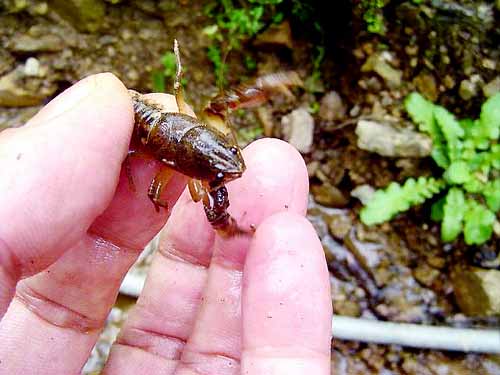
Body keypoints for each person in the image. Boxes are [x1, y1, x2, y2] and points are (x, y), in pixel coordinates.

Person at [0, 73, 332, 374]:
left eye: (230, 151)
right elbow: (186, 195)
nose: (231, 168)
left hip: (164, 129)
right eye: (219, 172)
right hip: (139, 127)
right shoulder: (175, 164)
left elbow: (212, 104)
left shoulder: (199, 143)